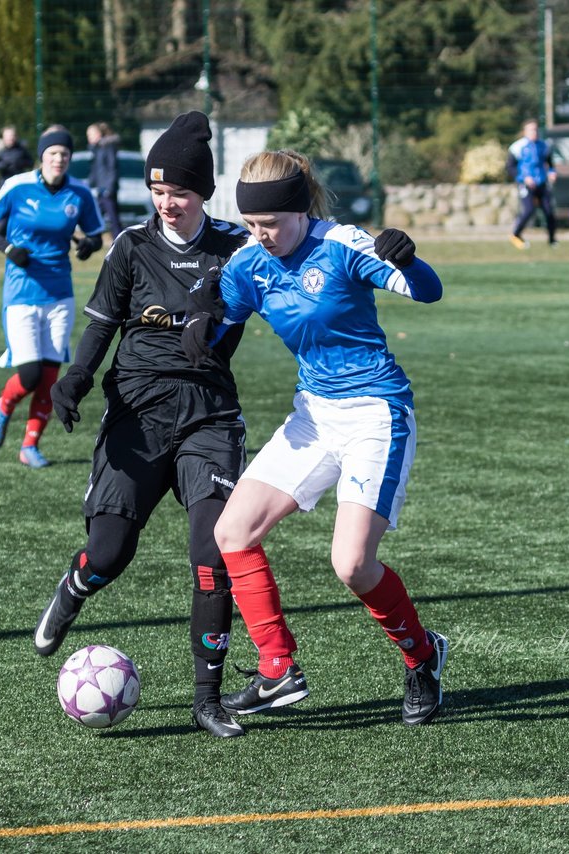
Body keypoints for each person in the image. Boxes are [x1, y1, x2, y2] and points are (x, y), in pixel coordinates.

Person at [182, 149, 449, 727]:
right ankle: (277, 667)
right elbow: (220, 314)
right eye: (251, 225)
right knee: (233, 530)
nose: (261, 235)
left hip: (375, 413)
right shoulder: (250, 261)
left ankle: (423, 657)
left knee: (352, 565)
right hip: (313, 416)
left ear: (301, 210)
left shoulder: (343, 244)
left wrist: (411, 259)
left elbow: (428, 292)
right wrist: (202, 321)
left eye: (270, 224)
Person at [31, 111, 254, 739]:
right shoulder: (131, 246)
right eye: (157, 192)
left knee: (214, 554)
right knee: (109, 552)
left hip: (209, 415)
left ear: (202, 192)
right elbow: (102, 324)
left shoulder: (235, 249)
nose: (167, 204)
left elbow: (298, 253)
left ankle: (207, 698)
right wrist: (74, 378)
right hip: (136, 410)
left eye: (178, 193)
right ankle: (75, 588)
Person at [0, 126, 104, 468]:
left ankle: (30, 446)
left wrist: (90, 245)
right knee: (30, 374)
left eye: (64, 154)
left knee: (49, 379)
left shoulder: (79, 193)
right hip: (21, 293)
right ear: (42, 157)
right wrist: (8, 248)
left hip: (60, 294)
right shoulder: (18, 187)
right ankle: (4, 405)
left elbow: (95, 234)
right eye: (52, 154)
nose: (58, 159)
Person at [506, 118, 557, 249]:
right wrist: (524, 178)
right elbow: (510, 167)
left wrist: (552, 172)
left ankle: (552, 240)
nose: (534, 132)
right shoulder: (517, 147)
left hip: (542, 183)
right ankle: (516, 234)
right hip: (526, 184)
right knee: (529, 210)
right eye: (531, 129)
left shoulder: (543, 145)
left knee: (549, 211)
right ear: (525, 132)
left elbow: (550, 163)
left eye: (536, 129)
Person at [85, 121, 122, 238]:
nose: (89, 138)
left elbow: (112, 168)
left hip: (107, 190)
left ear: (98, 134)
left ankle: (119, 241)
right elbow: (95, 171)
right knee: (95, 217)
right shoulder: (96, 149)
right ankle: (93, 240)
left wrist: (109, 188)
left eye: (91, 134)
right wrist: (90, 186)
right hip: (99, 189)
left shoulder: (108, 147)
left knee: (113, 218)